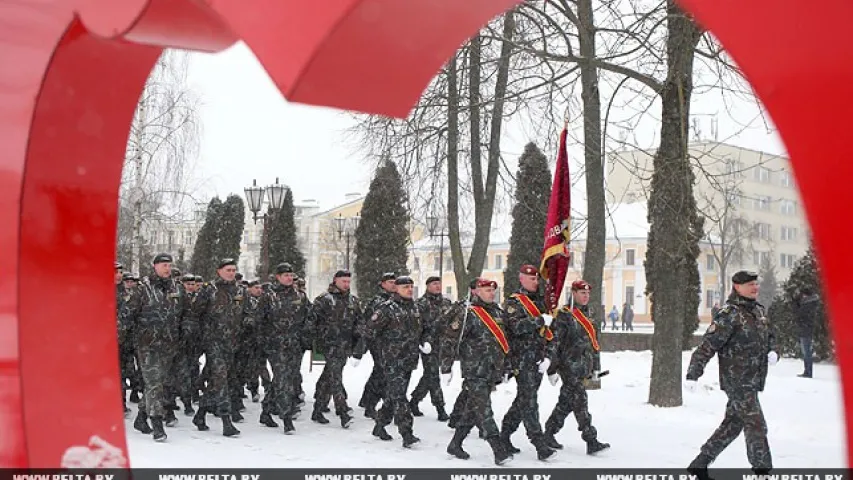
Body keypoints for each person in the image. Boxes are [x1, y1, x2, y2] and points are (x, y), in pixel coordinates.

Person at [686, 270, 777, 475]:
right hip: (737, 381)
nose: (755, 287)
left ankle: (699, 464)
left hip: (753, 379)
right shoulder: (730, 314)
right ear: (737, 287)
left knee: (733, 424)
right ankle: (763, 472)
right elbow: (708, 345)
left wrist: (773, 350)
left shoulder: (758, 312)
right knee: (756, 425)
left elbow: (769, 335)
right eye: (750, 284)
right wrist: (694, 372)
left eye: (756, 283)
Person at [440, 278, 514, 465]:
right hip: (474, 371)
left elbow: (504, 342)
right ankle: (499, 450)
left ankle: (455, 444)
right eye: (486, 290)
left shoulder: (498, 312)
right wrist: (446, 367)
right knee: (485, 410)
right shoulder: (468, 314)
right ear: (476, 292)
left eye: (492, 290)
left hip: (492, 370)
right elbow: (450, 340)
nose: (491, 293)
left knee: (473, 410)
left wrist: (507, 367)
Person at [542, 280, 609, 455]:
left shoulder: (590, 315)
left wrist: (596, 367)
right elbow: (555, 343)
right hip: (569, 367)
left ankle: (548, 433)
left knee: (566, 402)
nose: (585, 296)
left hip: (584, 367)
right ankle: (591, 439)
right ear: (573, 293)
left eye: (587, 293)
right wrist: (552, 369)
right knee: (581, 402)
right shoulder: (564, 315)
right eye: (582, 293)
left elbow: (594, 343)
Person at [499, 264, 556, 461]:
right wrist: (540, 320)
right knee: (529, 402)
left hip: (537, 360)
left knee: (523, 400)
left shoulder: (540, 302)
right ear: (521, 279)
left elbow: (548, 334)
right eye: (531, 279)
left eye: (537, 279)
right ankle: (539, 443)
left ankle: (504, 434)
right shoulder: (514, 302)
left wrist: (548, 358)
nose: (536, 282)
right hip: (521, 360)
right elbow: (515, 327)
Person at [795, 287, 819, 378]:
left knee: (806, 352)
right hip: (806, 329)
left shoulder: (808, 304)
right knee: (806, 351)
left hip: (806, 330)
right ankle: (807, 371)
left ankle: (808, 372)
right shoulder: (810, 303)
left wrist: (796, 303)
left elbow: (799, 314)